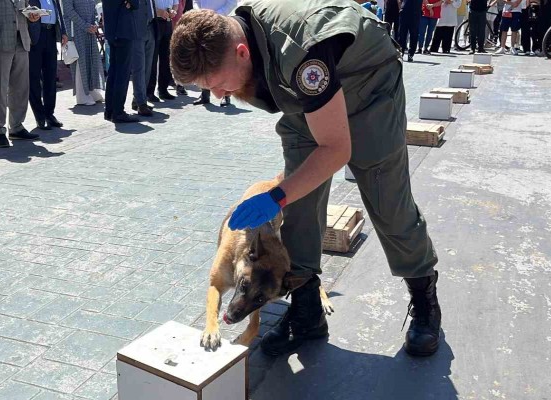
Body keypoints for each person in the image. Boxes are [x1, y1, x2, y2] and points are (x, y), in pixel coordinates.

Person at [170, 0, 443, 358]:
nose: (219, 95)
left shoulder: (302, 54)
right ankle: (307, 312)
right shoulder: (243, 37)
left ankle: (424, 298)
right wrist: (288, 195)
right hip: (307, 100)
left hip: (367, 89)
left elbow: (336, 150)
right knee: (299, 206)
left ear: (240, 52)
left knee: (387, 202)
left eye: (218, 85)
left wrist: (276, 195)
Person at [0, 0, 41, 148]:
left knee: (21, 88)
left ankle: (16, 127)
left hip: (21, 39)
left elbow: (21, 7)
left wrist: (31, 14)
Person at [28, 0, 68, 129]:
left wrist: (63, 31)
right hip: (35, 36)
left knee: (50, 77)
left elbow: (58, 12)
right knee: (33, 78)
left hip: (50, 34)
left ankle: (49, 114)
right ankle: (39, 117)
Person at [102, 0, 140, 122]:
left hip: (112, 32)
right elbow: (136, 3)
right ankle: (118, 111)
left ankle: (109, 110)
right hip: (123, 31)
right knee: (122, 74)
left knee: (113, 72)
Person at [63, 0, 105, 106]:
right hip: (75, 30)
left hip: (89, 30)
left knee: (91, 59)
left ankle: (91, 90)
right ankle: (82, 95)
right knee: (80, 62)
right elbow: (69, 11)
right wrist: (85, 26)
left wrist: (94, 24)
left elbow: (94, 10)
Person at [129, 0, 157, 116]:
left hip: (150, 27)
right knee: (139, 68)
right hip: (136, 29)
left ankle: (139, 99)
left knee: (147, 67)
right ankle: (141, 103)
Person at [148, 0, 178, 102]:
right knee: (152, 58)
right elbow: (147, 5)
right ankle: (149, 92)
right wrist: (159, 12)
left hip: (168, 22)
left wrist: (173, 11)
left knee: (166, 57)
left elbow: (175, 3)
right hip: (155, 21)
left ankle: (163, 89)